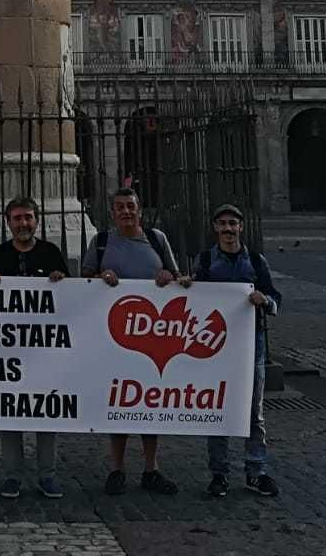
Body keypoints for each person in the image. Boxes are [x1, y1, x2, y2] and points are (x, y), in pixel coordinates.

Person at [80, 186, 192, 496]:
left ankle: (151, 467)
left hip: (152, 337)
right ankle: (116, 468)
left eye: (131, 206)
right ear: (113, 213)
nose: (126, 211)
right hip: (113, 338)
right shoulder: (101, 243)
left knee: (149, 403)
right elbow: (84, 280)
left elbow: (176, 273)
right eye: (120, 207)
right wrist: (101, 279)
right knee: (118, 403)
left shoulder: (157, 239)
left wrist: (168, 277)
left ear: (139, 210)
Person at [0, 196, 68, 499]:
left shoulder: (51, 253)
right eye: (17, 218)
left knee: (46, 412)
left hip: (44, 351)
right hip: (8, 351)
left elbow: (70, 298)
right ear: (8, 223)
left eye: (28, 217)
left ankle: (48, 475)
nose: (23, 223)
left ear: (36, 220)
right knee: (10, 412)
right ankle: (12, 475)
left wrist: (62, 281)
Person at [193, 203, 281, 499]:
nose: (228, 229)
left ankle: (256, 471)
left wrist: (264, 300)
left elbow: (276, 300)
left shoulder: (256, 261)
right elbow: (193, 298)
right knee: (216, 409)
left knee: (253, 411)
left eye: (233, 223)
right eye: (223, 224)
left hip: (250, 344)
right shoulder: (205, 261)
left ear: (241, 227)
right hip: (213, 346)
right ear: (215, 228)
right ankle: (219, 473)